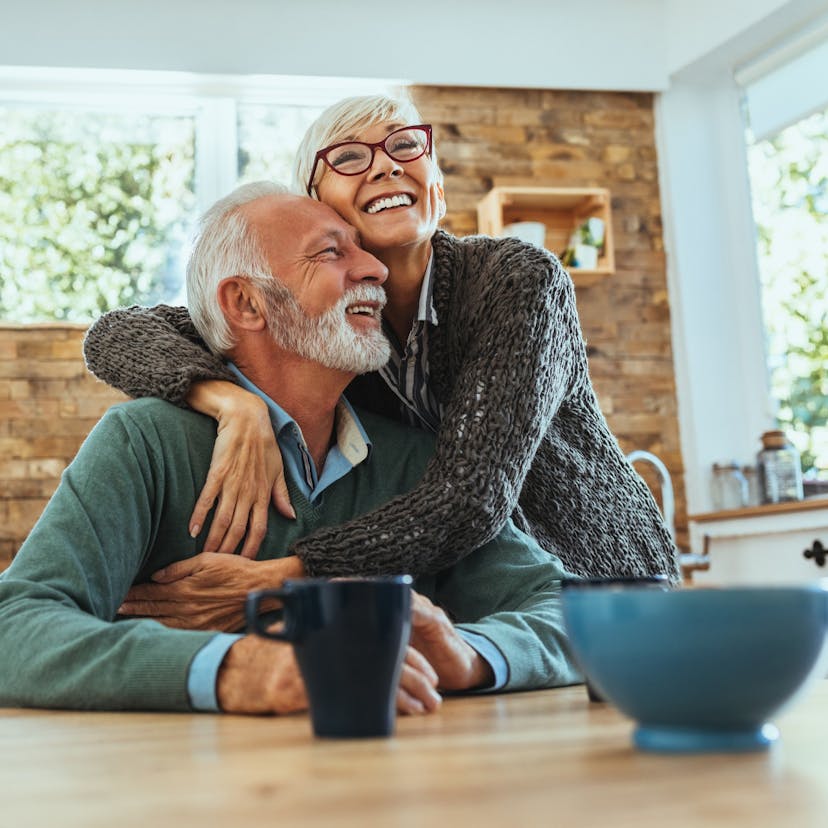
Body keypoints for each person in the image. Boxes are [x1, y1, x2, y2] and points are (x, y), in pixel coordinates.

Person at [0, 182, 580, 714]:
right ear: (247, 305)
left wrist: (470, 655)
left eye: (362, 249)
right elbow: (14, 626)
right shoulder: (145, 443)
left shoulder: (416, 461)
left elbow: (569, 611)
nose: (375, 267)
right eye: (331, 253)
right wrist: (234, 669)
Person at [83, 95, 679, 612]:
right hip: (469, 597)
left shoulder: (516, 281)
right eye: (348, 157)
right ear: (314, 203)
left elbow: (471, 496)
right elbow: (116, 334)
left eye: (405, 147)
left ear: (436, 188)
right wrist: (234, 404)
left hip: (597, 582)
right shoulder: (326, 326)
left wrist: (285, 579)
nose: (386, 164)